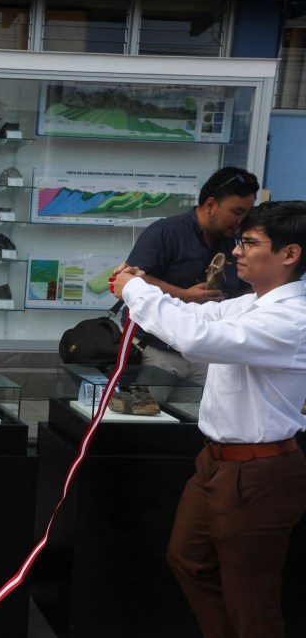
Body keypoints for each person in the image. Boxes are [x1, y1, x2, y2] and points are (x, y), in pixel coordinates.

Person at [112, 200, 306, 638]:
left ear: (289, 255)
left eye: (250, 242)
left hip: (259, 473)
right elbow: (197, 316)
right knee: (188, 559)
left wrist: (134, 291)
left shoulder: (294, 318)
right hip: (215, 465)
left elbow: (198, 339)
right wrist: (145, 288)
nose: (237, 250)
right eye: (240, 240)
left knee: (251, 602)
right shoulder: (251, 305)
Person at [124, 166, 260, 402]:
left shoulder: (234, 245)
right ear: (210, 205)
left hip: (205, 356)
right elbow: (133, 279)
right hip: (157, 352)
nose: (241, 221)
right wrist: (184, 295)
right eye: (236, 212)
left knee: (190, 429)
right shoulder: (165, 232)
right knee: (144, 424)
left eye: (246, 213)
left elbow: (242, 291)